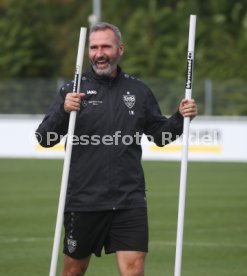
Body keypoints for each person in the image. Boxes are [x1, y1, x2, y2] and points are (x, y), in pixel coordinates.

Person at [36, 22, 197, 276]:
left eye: (106, 47)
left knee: (134, 270)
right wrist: (63, 111)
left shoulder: (138, 91)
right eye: (94, 47)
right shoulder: (71, 91)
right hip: (83, 200)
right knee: (73, 271)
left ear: (120, 49)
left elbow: (161, 136)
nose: (99, 53)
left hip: (128, 200)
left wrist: (180, 117)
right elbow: (45, 138)